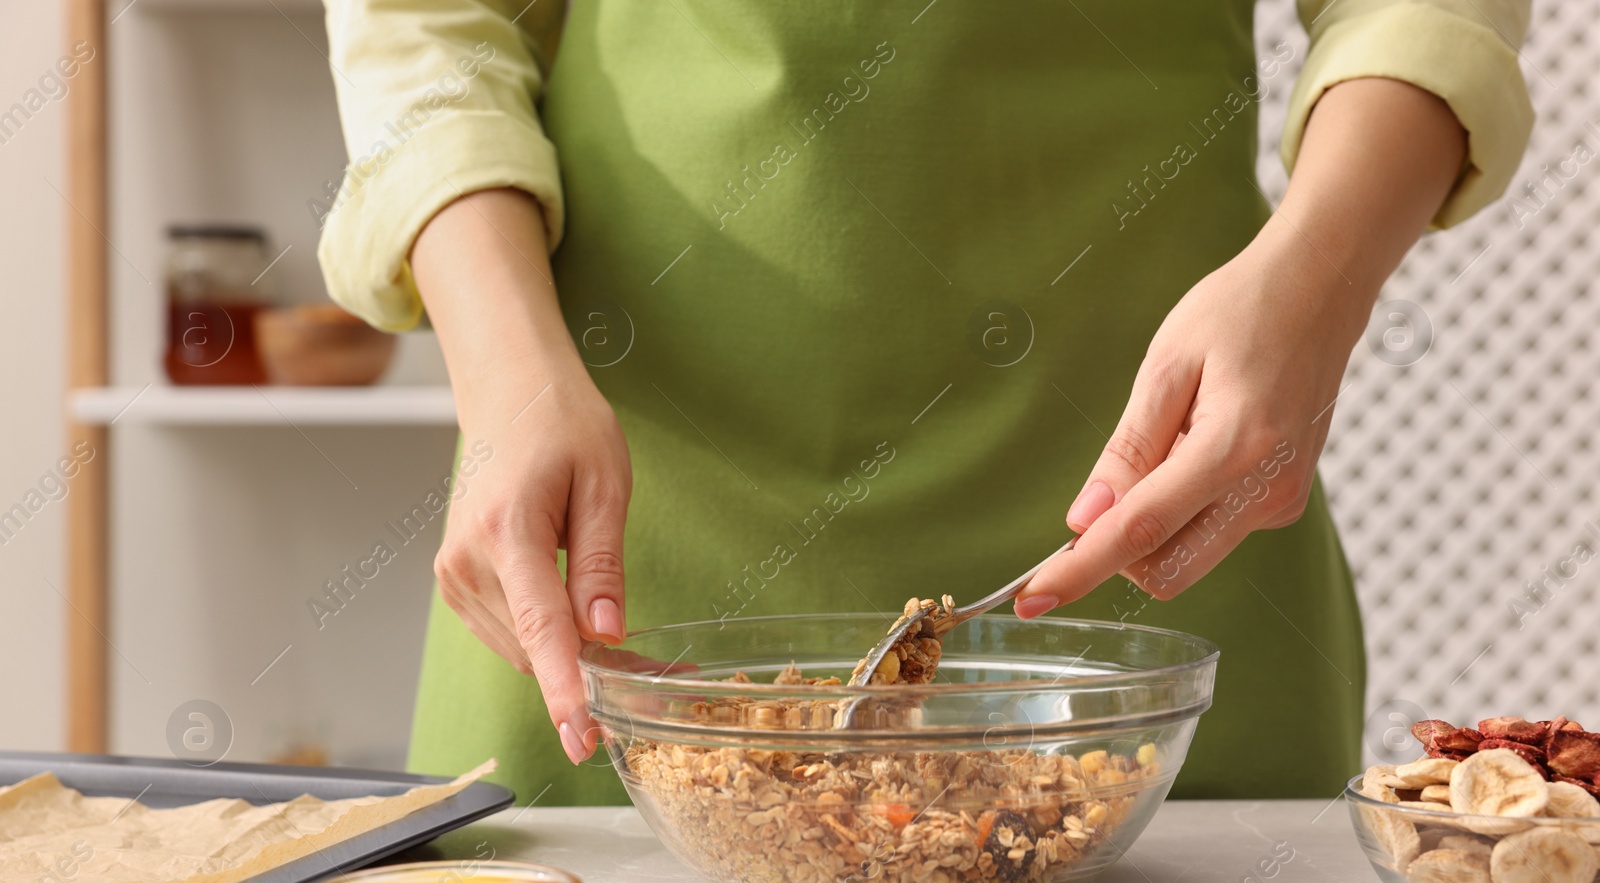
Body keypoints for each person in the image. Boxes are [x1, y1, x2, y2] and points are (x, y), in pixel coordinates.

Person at [318, 0, 1533, 804]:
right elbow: (427, 26)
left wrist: (1316, 277)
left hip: (1154, 489)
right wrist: (504, 375)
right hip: (632, 542)